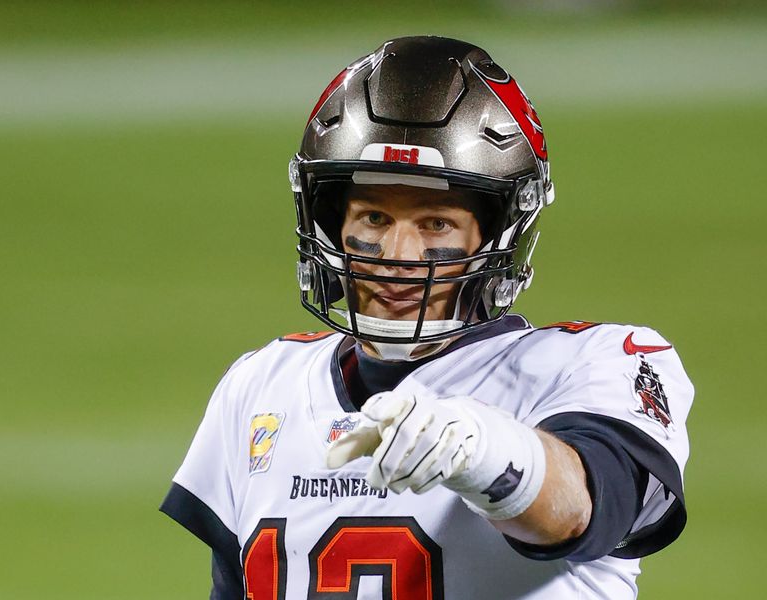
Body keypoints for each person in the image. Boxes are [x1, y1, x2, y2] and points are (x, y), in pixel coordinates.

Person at [160, 36, 692, 599]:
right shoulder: (261, 386)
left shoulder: (594, 363)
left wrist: (489, 453)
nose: (398, 254)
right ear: (330, 224)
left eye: (436, 222)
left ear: (497, 234)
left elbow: (582, 507)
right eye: (373, 216)